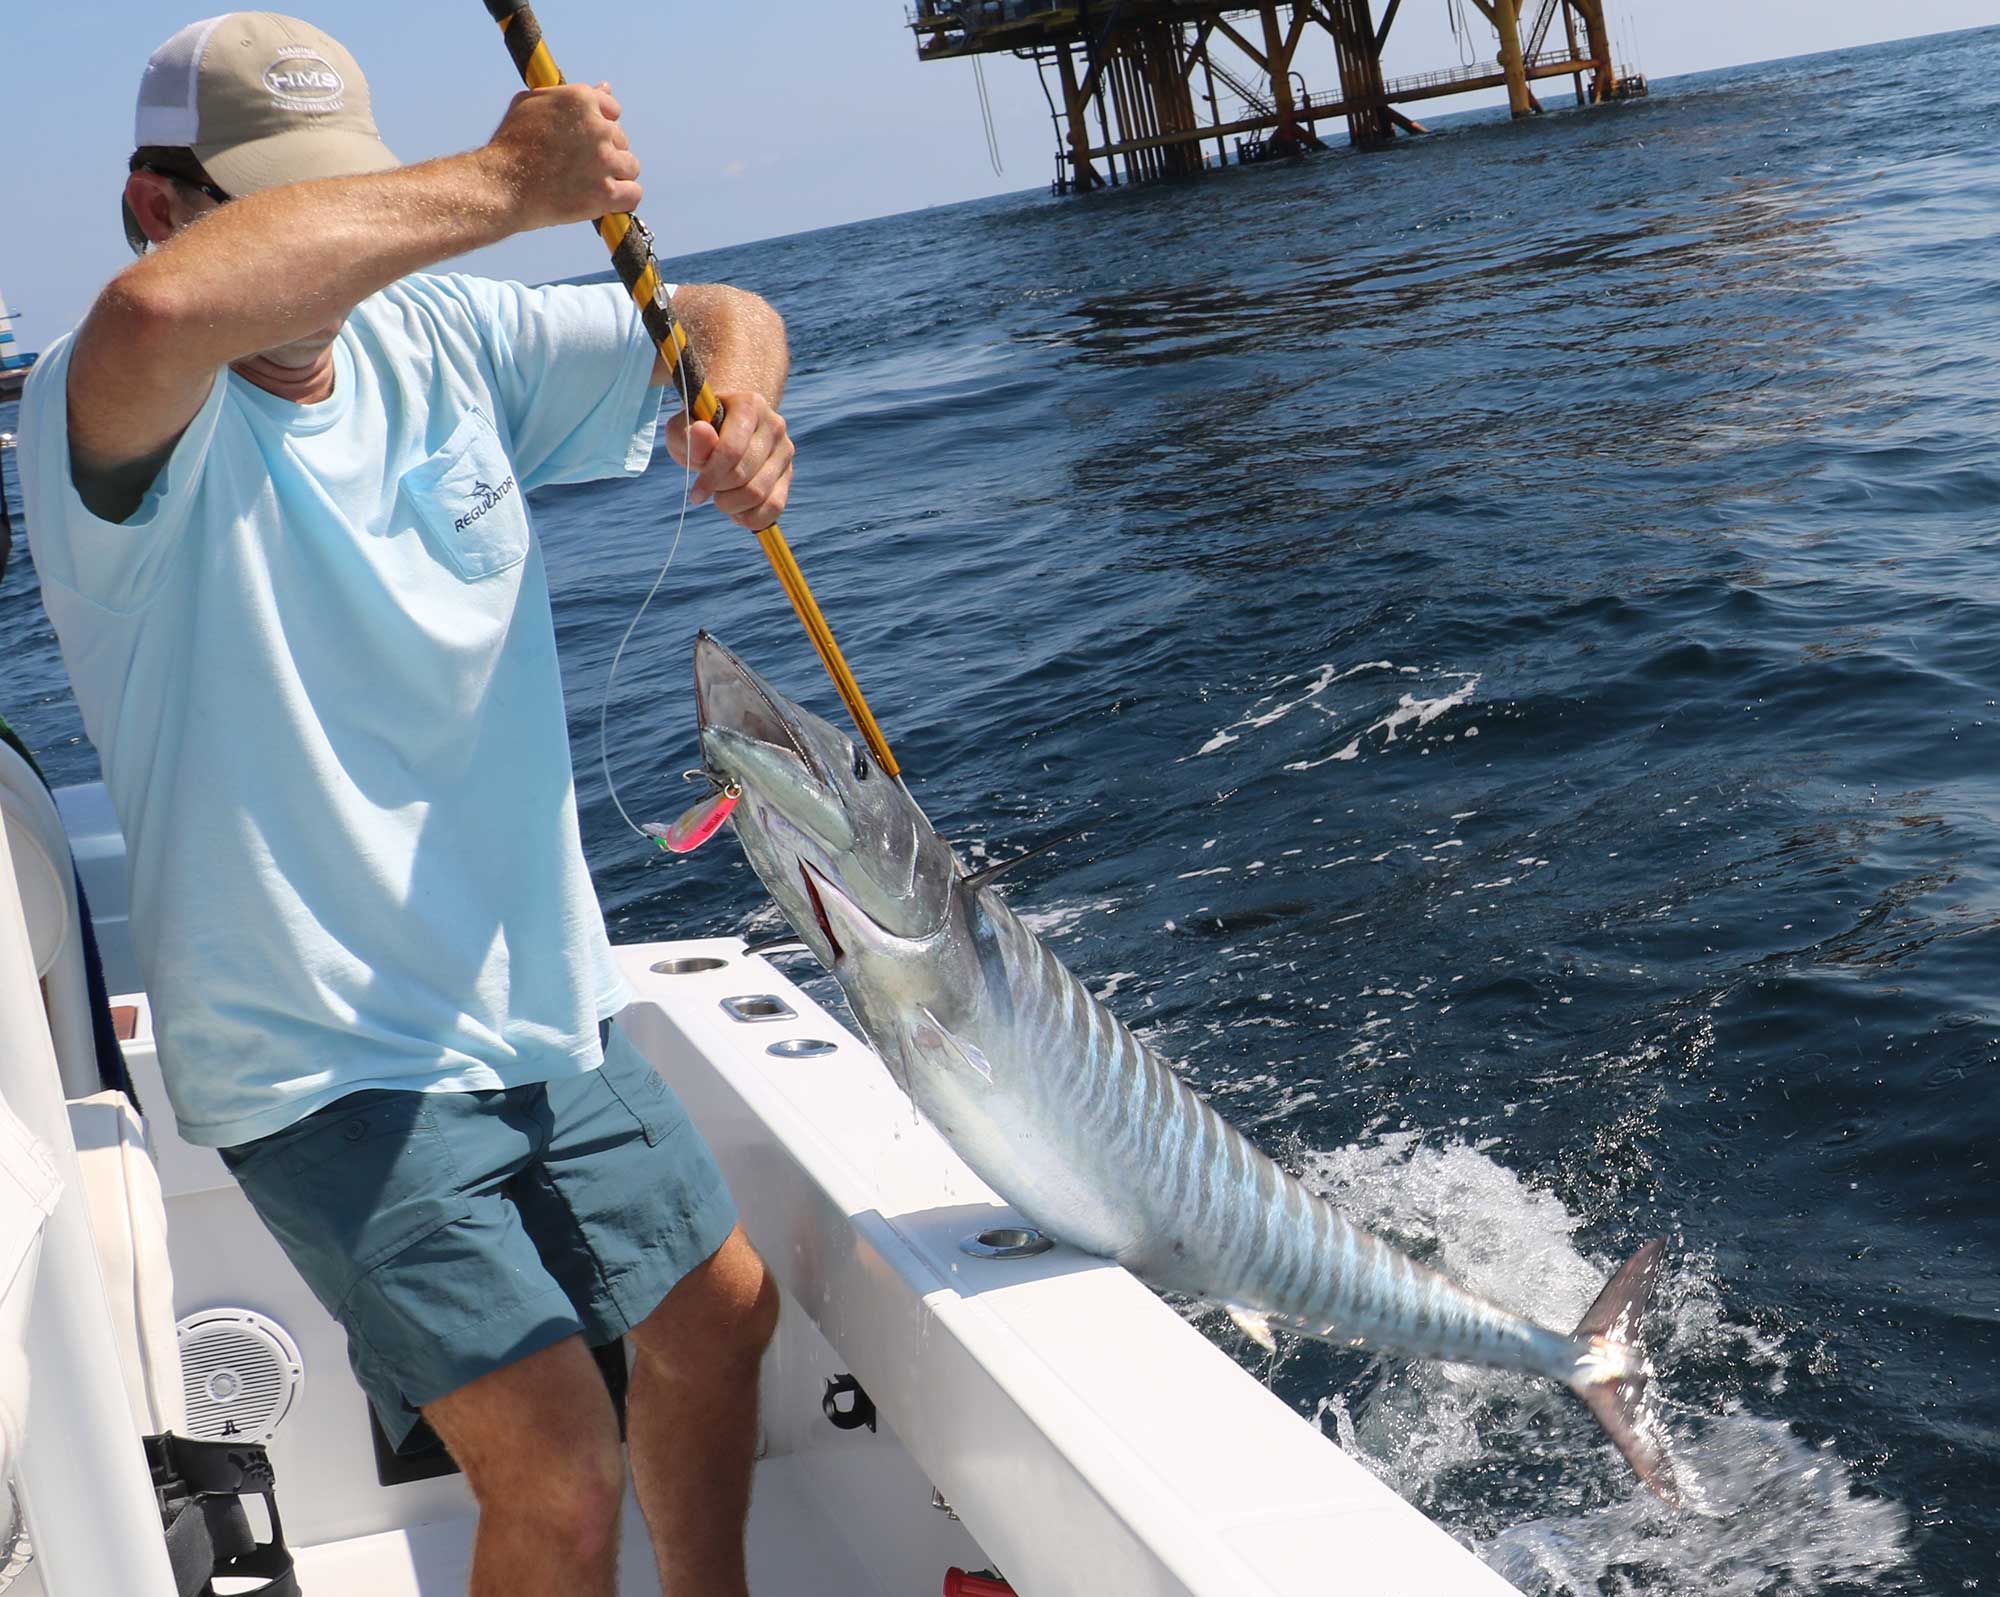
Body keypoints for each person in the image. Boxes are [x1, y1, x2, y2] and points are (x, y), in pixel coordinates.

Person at [17, 15, 788, 1596]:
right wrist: (504, 183)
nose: (345, 254)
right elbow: (160, 311)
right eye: (286, 205)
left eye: (350, 194)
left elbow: (719, 313)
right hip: (322, 1058)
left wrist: (739, 402)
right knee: (557, 1466)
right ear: (158, 206)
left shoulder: (439, 333)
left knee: (724, 1316)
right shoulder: (111, 415)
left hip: (539, 1003)